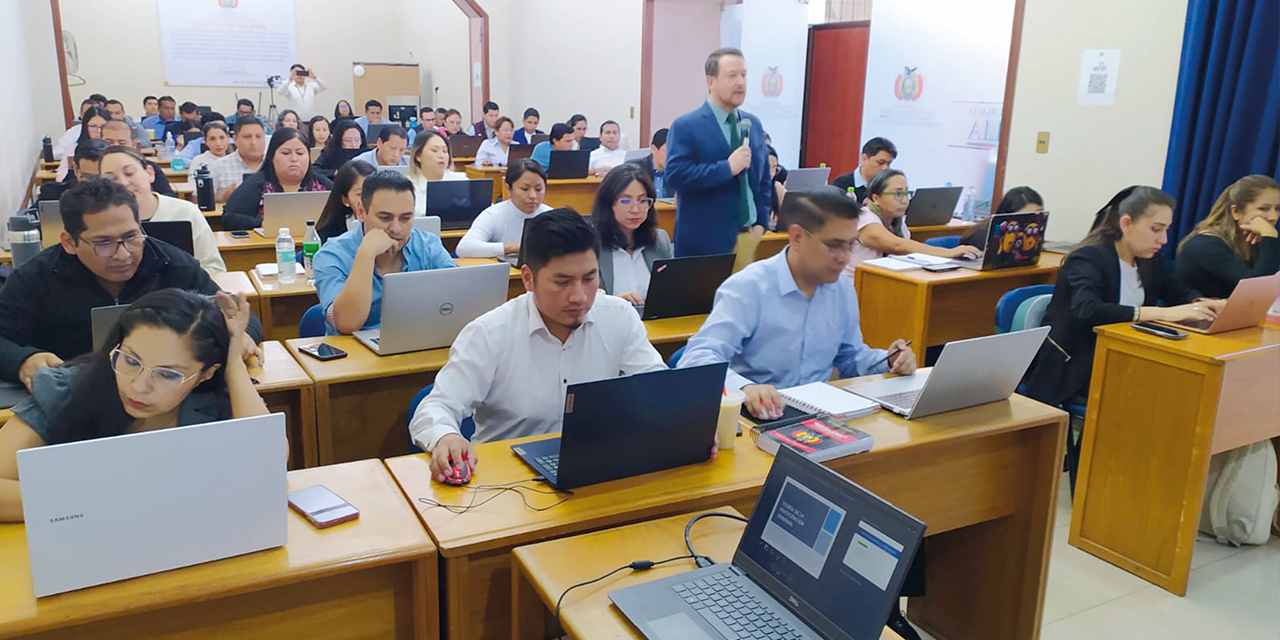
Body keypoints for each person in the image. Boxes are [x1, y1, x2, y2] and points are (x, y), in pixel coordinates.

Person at [407, 209, 669, 480]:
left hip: (596, 472)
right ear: (528, 278)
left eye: (589, 278)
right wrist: (447, 436)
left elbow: (659, 389)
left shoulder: (619, 317)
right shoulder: (489, 333)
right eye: (563, 282)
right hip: (508, 485)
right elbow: (436, 406)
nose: (579, 296)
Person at [0, 288, 268, 522]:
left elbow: (267, 462)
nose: (139, 386)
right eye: (130, 361)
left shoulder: (217, 401)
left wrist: (234, 364)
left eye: (167, 374)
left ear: (206, 374)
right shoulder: (66, 389)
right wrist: (106, 500)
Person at [0, 178, 263, 390]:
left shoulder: (171, 263)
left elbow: (234, 312)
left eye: (131, 237)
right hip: (73, 396)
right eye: (104, 243)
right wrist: (22, 361)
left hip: (165, 392)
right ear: (70, 242)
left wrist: (243, 336)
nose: (124, 254)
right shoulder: (35, 277)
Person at [680, 184, 917, 416]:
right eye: (834, 246)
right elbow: (696, 358)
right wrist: (744, 388)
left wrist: (888, 360)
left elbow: (850, 358)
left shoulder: (842, 288)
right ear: (797, 237)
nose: (844, 258)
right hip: (756, 415)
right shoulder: (749, 288)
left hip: (818, 413)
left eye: (851, 246)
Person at [1023, 186, 1222, 409]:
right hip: (1079, 366)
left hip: (1128, 357)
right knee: (1167, 395)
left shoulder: (1148, 260)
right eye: (1156, 229)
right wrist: (1163, 312)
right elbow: (1088, 310)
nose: (1164, 239)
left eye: (1166, 229)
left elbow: (1180, 292)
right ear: (1126, 224)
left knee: (1186, 388)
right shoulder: (1087, 257)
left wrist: (1204, 304)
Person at [666, 48, 773, 270]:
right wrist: (727, 168)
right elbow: (676, 176)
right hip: (704, 245)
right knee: (705, 305)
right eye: (732, 76)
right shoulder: (687, 126)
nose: (740, 83)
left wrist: (762, 222)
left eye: (744, 75)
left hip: (748, 237)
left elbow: (762, 179)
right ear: (710, 81)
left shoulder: (752, 124)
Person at [314, 171, 456, 335]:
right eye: (385, 218)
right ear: (361, 212)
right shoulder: (331, 255)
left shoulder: (428, 246)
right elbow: (347, 323)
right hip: (353, 355)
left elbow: (457, 303)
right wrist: (366, 254)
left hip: (416, 345)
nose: (396, 228)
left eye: (405, 218)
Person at [99, 146, 226, 274]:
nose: (123, 183)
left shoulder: (185, 212)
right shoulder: (98, 220)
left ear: (150, 173)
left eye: (130, 173)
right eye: (111, 179)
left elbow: (214, 268)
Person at [845, 169, 981, 276]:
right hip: (855, 286)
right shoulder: (865, 218)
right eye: (898, 194)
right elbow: (897, 245)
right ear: (876, 198)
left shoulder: (898, 224)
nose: (905, 200)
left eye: (906, 193)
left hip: (883, 281)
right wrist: (949, 253)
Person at [1176, 175, 1280, 298]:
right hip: (1200, 314)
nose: (1273, 216)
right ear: (1235, 212)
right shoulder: (1205, 245)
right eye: (1264, 209)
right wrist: (1270, 239)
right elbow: (1255, 290)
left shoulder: (1256, 240)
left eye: (1277, 208)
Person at [222, 127, 333, 231]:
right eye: (286, 153)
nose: (294, 159)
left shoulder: (323, 185)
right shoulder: (256, 184)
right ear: (272, 157)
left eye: (300, 153)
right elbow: (229, 218)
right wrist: (261, 224)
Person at [591, 163, 672, 303]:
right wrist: (613, 302)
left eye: (643, 201)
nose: (635, 209)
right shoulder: (589, 244)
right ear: (608, 203)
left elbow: (671, 290)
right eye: (626, 200)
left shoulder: (660, 240)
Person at [457, 159, 553, 263]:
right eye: (525, 189)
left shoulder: (552, 216)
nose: (533, 196)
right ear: (508, 189)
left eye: (539, 189)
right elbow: (464, 248)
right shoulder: (494, 214)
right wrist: (515, 248)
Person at [100, 121, 177, 197]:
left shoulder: (146, 166)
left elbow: (168, 196)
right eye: (109, 142)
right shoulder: (92, 167)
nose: (115, 147)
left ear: (134, 145)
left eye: (122, 143)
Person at [959, 186, 1045, 248]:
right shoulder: (984, 238)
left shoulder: (1034, 235)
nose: (1033, 221)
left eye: (1038, 213)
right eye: (1026, 216)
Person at [408, 130, 466, 216]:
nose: (441, 155)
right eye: (434, 150)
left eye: (445, 151)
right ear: (418, 156)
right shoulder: (407, 186)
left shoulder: (461, 180)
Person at [316, 160, 377, 243]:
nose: (369, 199)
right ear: (345, 199)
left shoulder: (391, 227)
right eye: (360, 194)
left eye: (373, 192)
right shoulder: (327, 236)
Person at [210, 116, 268, 201]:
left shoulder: (276, 164)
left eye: (258, 136)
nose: (253, 142)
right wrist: (223, 198)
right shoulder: (218, 166)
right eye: (247, 137)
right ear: (235, 139)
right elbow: (199, 200)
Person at [830, 137, 897, 203]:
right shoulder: (841, 185)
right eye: (881, 163)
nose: (885, 168)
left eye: (888, 164)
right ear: (864, 158)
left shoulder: (887, 187)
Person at [56, 106, 109, 181]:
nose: (98, 131)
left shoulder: (115, 148)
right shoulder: (73, 149)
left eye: (104, 126)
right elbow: (62, 174)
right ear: (85, 127)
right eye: (93, 126)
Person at [633, 127, 672, 198]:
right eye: (668, 152)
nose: (671, 157)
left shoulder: (675, 172)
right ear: (654, 149)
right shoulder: (636, 169)